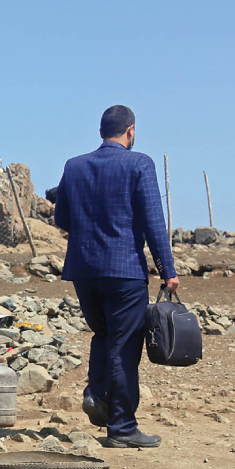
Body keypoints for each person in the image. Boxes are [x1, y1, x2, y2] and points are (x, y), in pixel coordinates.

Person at [54, 105, 177, 448]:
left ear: (100, 132)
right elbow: (154, 222)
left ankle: (96, 393)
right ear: (131, 131)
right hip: (124, 270)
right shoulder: (140, 164)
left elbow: (61, 217)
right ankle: (122, 427)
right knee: (124, 345)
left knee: (103, 333)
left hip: (83, 270)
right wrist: (168, 271)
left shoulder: (74, 166)